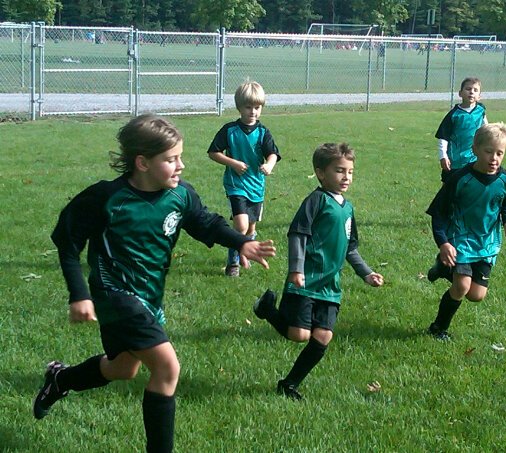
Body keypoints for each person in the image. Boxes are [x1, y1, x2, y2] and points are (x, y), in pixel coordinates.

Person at [33, 114, 276, 452]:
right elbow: (67, 242)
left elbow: (205, 222)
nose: (181, 165)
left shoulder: (180, 195)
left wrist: (240, 242)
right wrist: (79, 294)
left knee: (122, 369)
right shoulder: (106, 198)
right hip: (114, 294)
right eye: (171, 159)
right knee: (167, 367)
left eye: (180, 157)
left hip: (149, 297)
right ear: (142, 162)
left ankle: (61, 379)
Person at [252, 142, 384, 399]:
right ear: (321, 173)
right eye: (339, 171)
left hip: (330, 285)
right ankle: (266, 309)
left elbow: (350, 248)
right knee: (299, 334)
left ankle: (289, 384)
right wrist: (296, 269)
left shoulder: (347, 208)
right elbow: (297, 234)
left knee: (323, 337)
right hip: (306, 280)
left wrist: (366, 273)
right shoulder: (316, 200)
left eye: (350, 172)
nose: (346, 177)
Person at [425, 122, 506, 341]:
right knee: (461, 286)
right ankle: (438, 328)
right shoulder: (459, 179)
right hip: (461, 240)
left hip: (487, 243)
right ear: (475, 149)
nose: (494, 158)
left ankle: (442, 268)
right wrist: (444, 244)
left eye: (499, 153)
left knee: (476, 295)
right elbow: (438, 214)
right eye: (488, 151)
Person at [208, 80, 281, 277]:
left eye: (257, 107)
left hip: (256, 185)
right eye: (248, 107)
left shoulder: (263, 132)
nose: (253, 112)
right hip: (236, 184)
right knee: (240, 225)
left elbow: (273, 154)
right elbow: (213, 152)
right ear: (239, 107)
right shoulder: (229, 130)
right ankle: (233, 264)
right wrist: (233, 163)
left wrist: (268, 165)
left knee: (250, 228)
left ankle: (245, 252)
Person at [435, 77, 488, 183]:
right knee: (450, 189)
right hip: (456, 161)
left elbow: (486, 129)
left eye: (475, 90)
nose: (471, 92)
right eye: (468, 89)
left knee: (473, 186)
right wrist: (443, 156)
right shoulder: (454, 115)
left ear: (479, 96)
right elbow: (443, 137)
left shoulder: (480, 111)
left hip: (474, 158)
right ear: (460, 93)